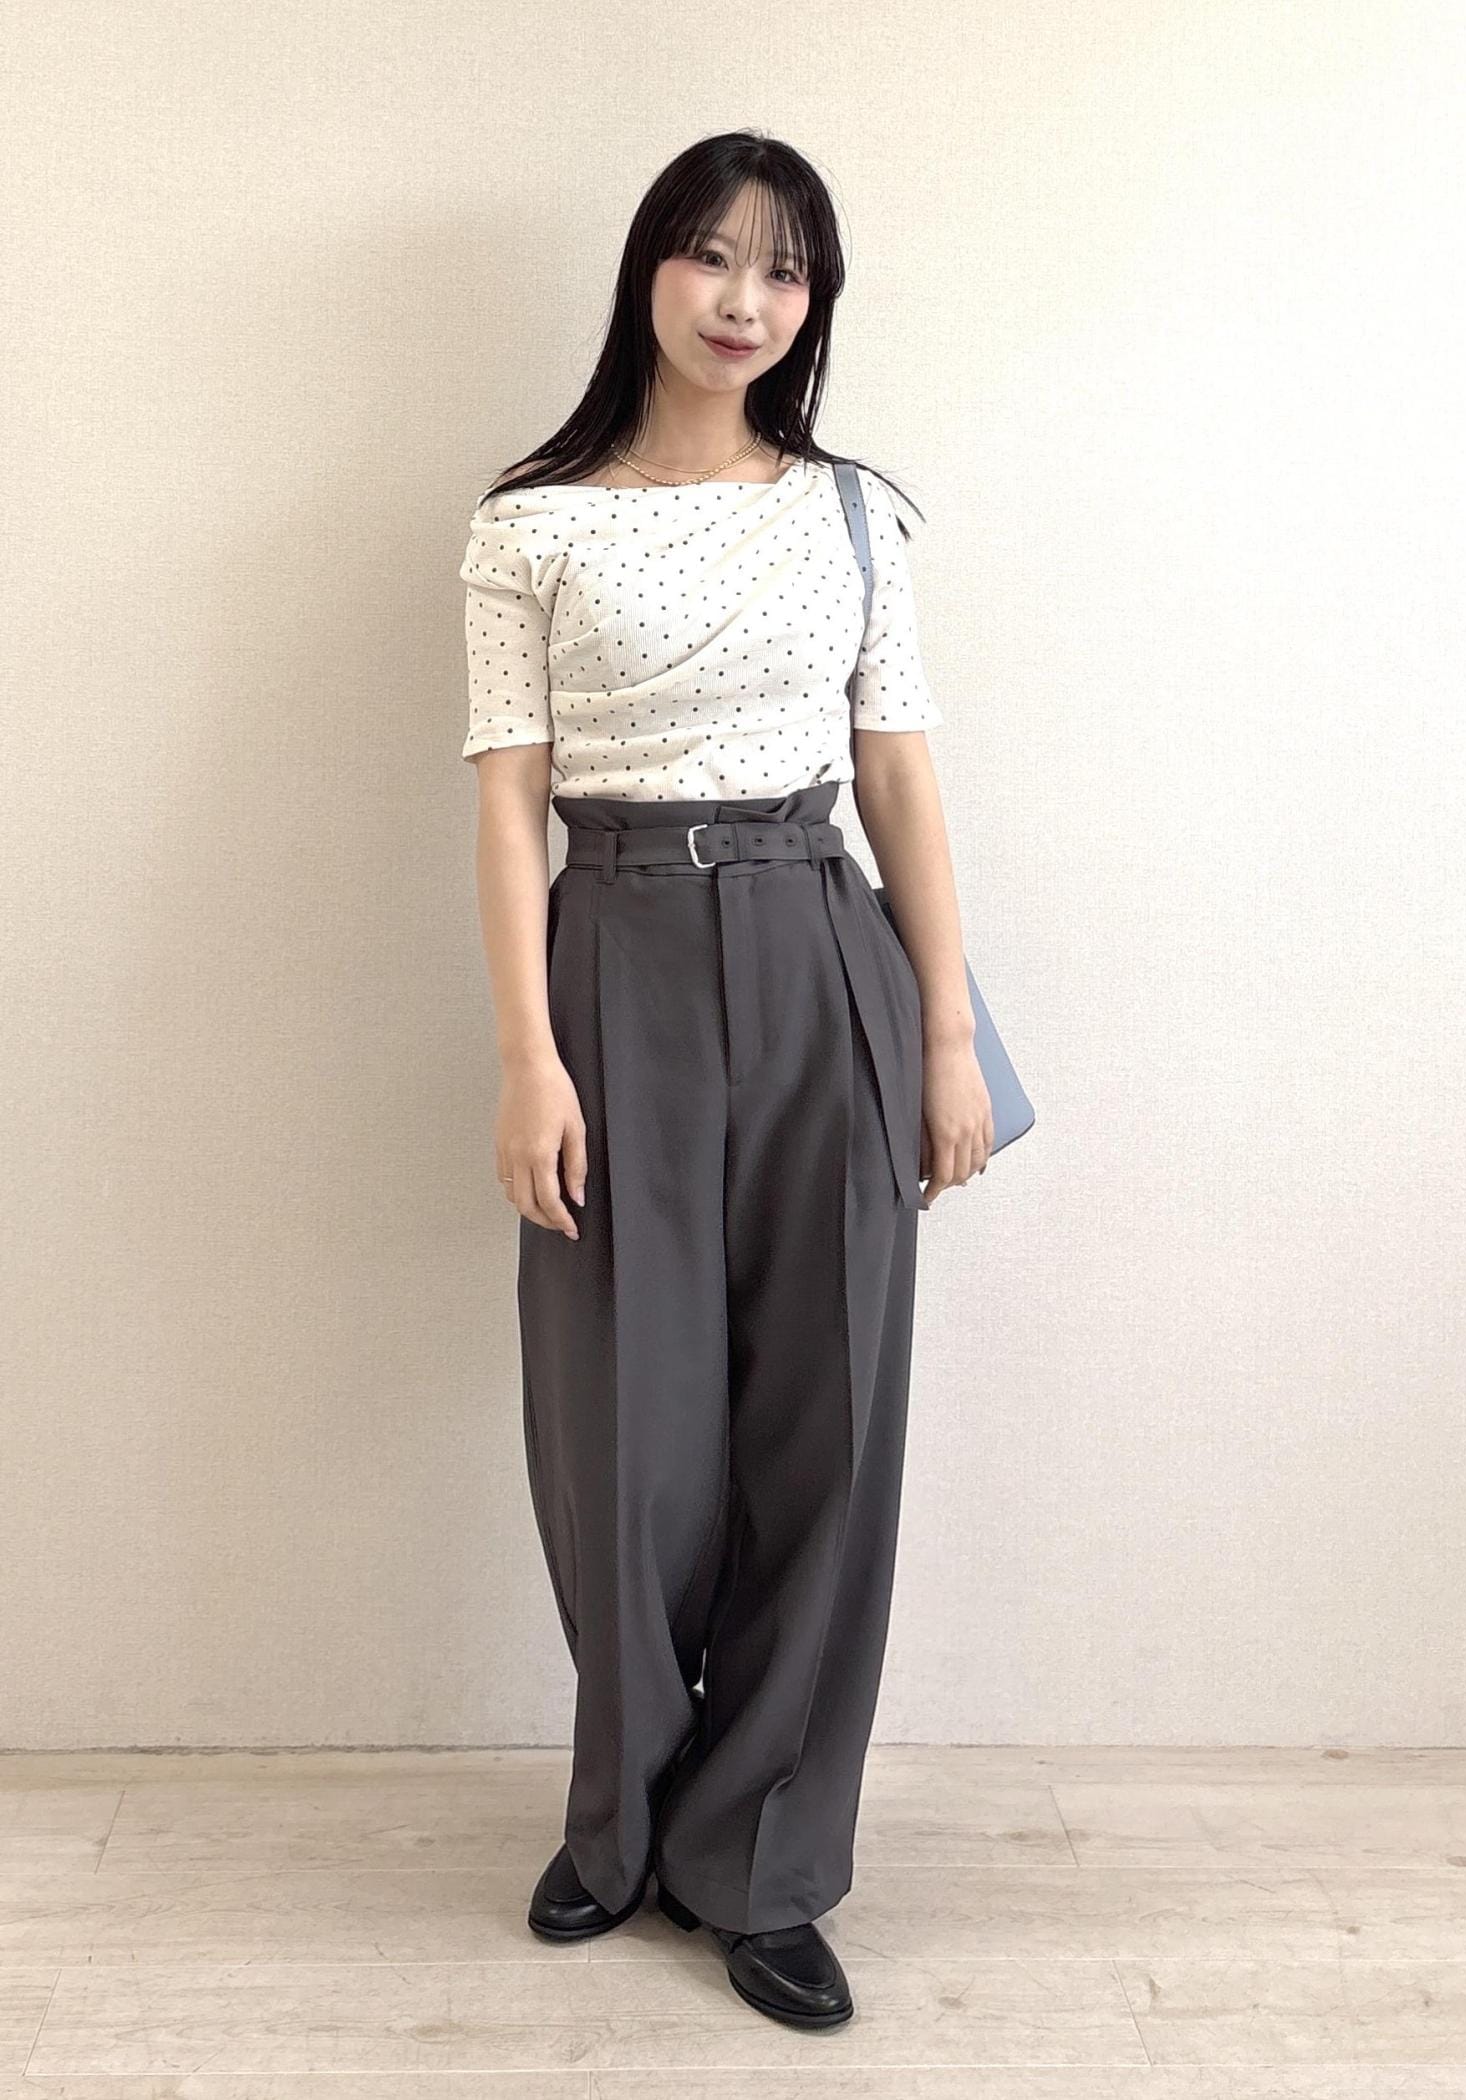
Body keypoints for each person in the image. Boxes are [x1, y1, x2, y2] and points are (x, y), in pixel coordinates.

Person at [460, 130, 991, 2031]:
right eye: (708, 255)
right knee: (622, 1436)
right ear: (647, 273)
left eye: (783, 269)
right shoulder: (531, 522)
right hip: (610, 960)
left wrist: (944, 1034)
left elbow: (898, 770)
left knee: (822, 1432)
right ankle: (625, 1820)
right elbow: (508, 805)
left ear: (813, 303)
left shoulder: (853, 513)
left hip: (822, 947)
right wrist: (528, 1058)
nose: (742, 299)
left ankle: (762, 1859)